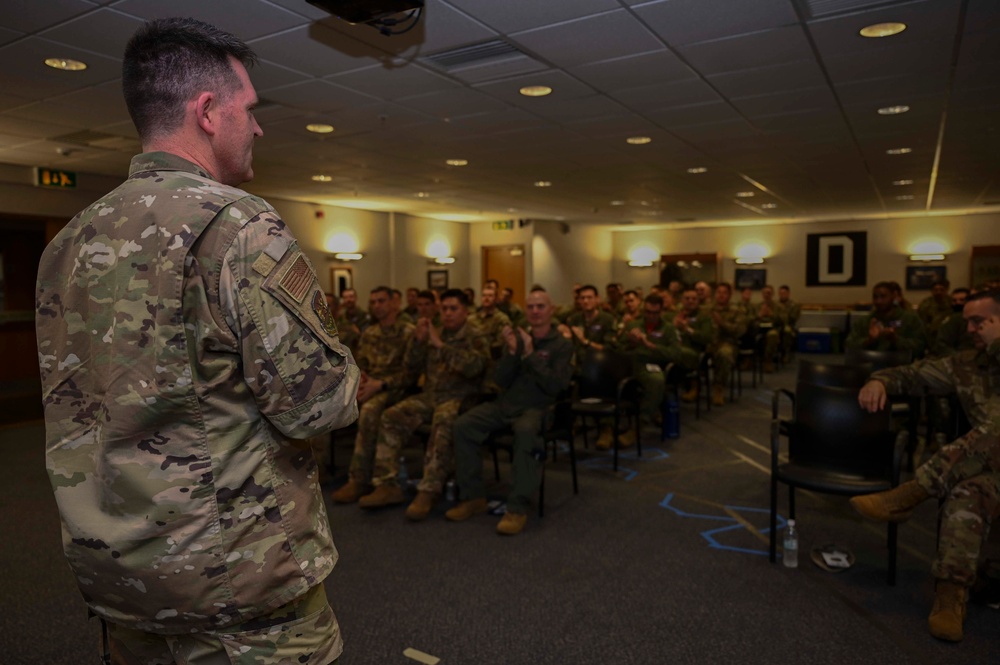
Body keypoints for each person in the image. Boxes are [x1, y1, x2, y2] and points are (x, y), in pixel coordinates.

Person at [34, 18, 359, 663]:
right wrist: (350, 374)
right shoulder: (237, 228)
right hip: (235, 586)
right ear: (209, 112)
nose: (258, 126)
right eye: (250, 109)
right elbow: (317, 405)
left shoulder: (67, 243)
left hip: (120, 579)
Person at [850, 290, 1000, 642]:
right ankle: (950, 594)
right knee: (967, 490)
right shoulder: (967, 364)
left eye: (979, 321)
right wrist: (880, 380)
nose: (970, 329)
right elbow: (914, 374)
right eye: (967, 322)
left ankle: (912, 492)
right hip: (990, 470)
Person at [447, 288, 574, 535]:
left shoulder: (562, 345)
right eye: (531, 307)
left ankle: (517, 507)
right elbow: (501, 379)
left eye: (540, 306)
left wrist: (529, 354)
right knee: (463, 425)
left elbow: (555, 386)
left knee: (526, 433)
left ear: (551, 310)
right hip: (505, 404)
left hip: (539, 407)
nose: (535, 312)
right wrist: (514, 352)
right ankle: (472, 496)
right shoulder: (517, 337)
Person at [358, 289, 490, 520]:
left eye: (453, 309)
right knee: (391, 416)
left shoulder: (475, 335)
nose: (448, 314)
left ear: (465, 311)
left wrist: (441, 347)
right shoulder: (434, 332)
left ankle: (429, 489)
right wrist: (419, 342)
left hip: (460, 397)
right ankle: (387, 484)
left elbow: (475, 368)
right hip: (430, 395)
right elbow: (411, 369)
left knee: (444, 421)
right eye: (445, 309)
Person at [331, 286, 415, 504]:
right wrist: (363, 381)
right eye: (374, 302)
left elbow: (412, 374)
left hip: (396, 389)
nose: (377, 306)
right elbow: (362, 364)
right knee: (349, 403)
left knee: (368, 410)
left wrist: (381, 384)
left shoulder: (408, 332)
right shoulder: (370, 333)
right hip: (373, 387)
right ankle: (361, 479)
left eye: (381, 301)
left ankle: (377, 481)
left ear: (395, 304)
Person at [617, 293, 699, 443]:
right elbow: (617, 349)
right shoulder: (633, 325)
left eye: (655, 313)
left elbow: (675, 354)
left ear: (661, 312)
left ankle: (638, 427)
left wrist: (651, 346)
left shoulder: (668, 329)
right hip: (631, 363)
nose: (651, 316)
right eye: (648, 312)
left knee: (656, 380)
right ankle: (607, 427)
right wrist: (632, 343)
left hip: (653, 364)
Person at [845, 281, 926, 356]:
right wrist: (869, 340)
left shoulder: (910, 319)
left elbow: (919, 347)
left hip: (901, 366)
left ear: (893, 296)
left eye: (883, 297)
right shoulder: (865, 321)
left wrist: (895, 340)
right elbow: (849, 345)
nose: (878, 301)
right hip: (870, 365)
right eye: (875, 297)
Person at [707, 282, 747, 406]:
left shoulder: (737, 311)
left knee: (725, 354)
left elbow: (740, 331)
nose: (721, 295)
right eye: (719, 292)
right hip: (708, 343)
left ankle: (719, 388)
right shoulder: (706, 309)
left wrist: (722, 323)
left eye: (724, 293)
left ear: (729, 295)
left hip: (727, 343)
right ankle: (693, 385)